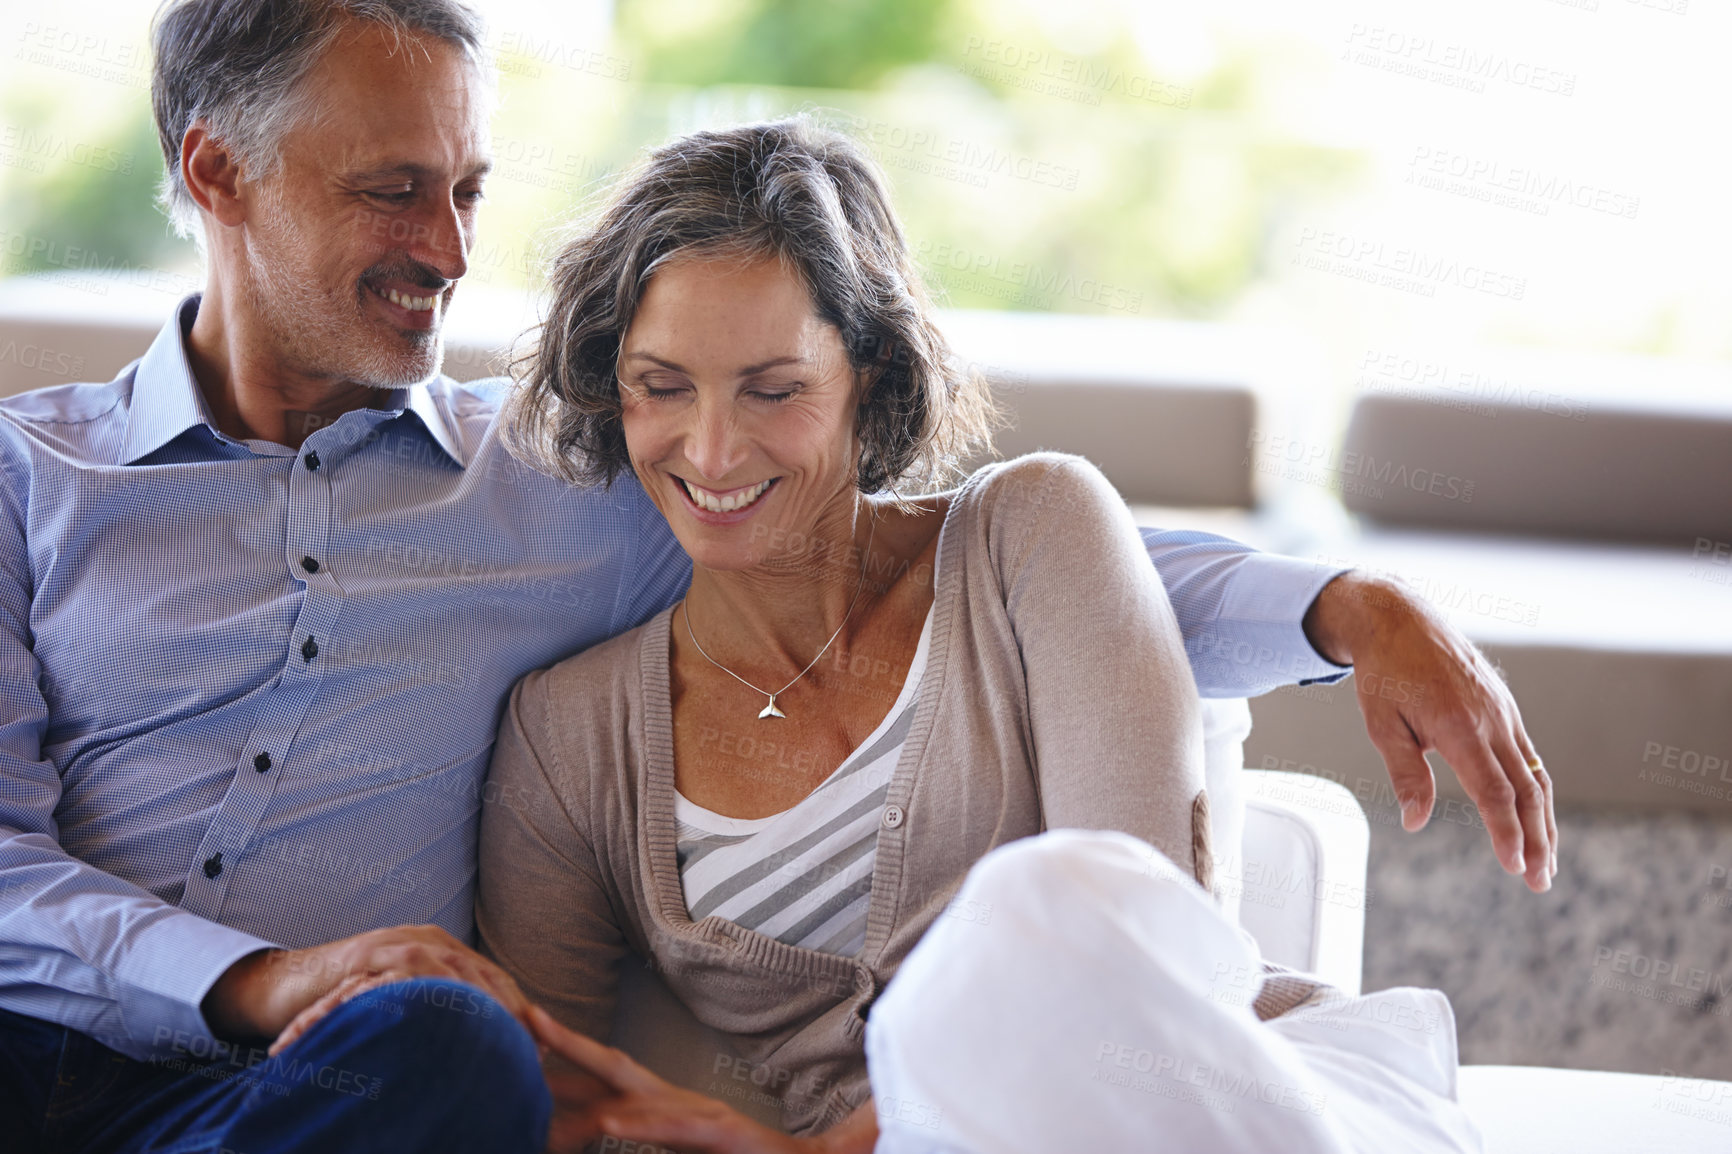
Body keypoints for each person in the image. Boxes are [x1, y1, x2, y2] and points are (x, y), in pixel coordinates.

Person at [0, 0, 1551, 1149]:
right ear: (217, 170)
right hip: (48, 1040)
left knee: (448, 1042)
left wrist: (1338, 608)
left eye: (470, 190)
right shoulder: (23, 480)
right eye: (393, 190)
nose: (453, 250)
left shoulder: (563, 481)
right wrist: (262, 975)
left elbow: (929, 543)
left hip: (334, 1094)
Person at [476, 118, 1482, 1153]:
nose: (714, 448)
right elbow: (545, 1093)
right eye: (661, 386)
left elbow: (1139, 952)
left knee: (1042, 904)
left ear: (869, 372)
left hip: (1186, 1105)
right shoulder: (568, 735)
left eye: (774, 390)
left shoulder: (1032, 533)